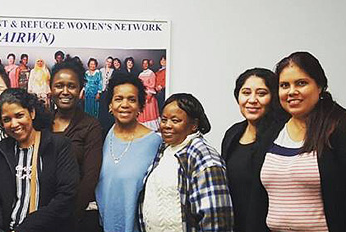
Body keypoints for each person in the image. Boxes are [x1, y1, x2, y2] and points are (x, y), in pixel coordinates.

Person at [249, 51, 346, 231]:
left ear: (320, 86)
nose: (292, 91)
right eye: (284, 85)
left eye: (301, 83)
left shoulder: (339, 129)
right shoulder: (271, 132)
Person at [0, 88, 79, 232]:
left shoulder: (58, 146)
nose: (14, 124)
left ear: (32, 113)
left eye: (19, 115)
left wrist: (27, 227)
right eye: (7, 119)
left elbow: (66, 197)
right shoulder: (1, 151)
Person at [139, 93, 233, 231]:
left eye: (175, 121)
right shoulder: (165, 149)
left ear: (194, 125)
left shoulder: (204, 157)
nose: (167, 125)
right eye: (164, 120)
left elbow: (216, 220)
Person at [220, 68, 283, 232]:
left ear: (274, 97)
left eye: (261, 94)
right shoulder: (232, 134)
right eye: (246, 92)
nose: (252, 100)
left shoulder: (282, 134)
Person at [97, 76, 162, 232]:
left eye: (132, 100)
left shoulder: (155, 142)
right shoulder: (102, 136)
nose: (125, 105)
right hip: (103, 226)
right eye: (118, 99)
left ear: (140, 106)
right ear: (110, 105)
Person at [50, 58, 103, 232]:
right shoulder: (41, 123)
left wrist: (66, 216)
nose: (65, 91)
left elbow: (90, 178)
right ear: (51, 89)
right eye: (59, 85)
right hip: (40, 214)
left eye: (71, 86)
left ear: (80, 90)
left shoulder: (91, 126)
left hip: (74, 218)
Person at [137, 59, 160, 131]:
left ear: (148, 64)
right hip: (142, 94)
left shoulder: (151, 73)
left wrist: (149, 94)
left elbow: (152, 85)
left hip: (149, 95)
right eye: (143, 63)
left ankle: (151, 128)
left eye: (146, 63)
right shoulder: (140, 74)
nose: (145, 65)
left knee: (149, 112)